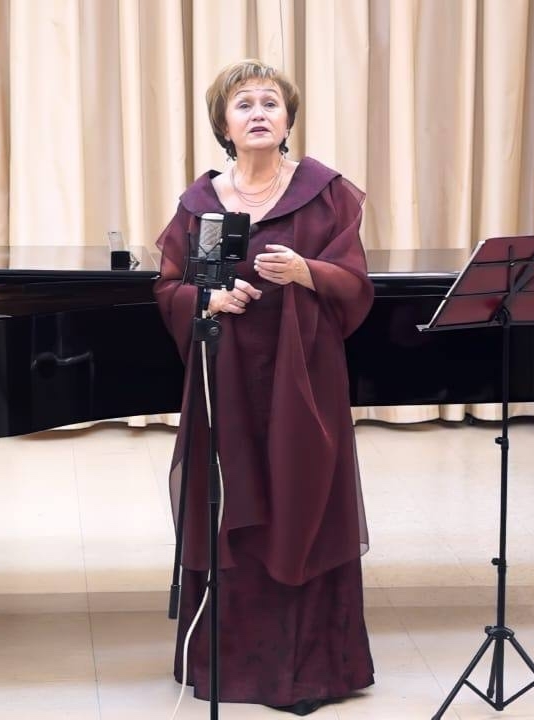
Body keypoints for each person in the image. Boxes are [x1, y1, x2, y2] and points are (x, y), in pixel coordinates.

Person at [153, 61, 375, 715]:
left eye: (270, 103)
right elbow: (169, 286)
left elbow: (356, 286)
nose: (258, 113)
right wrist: (208, 300)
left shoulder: (327, 195)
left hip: (303, 381)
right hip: (223, 380)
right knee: (228, 502)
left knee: (305, 502)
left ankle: (310, 673)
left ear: (287, 119)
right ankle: (229, 667)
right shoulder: (200, 203)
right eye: (243, 103)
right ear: (224, 124)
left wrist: (308, 272)